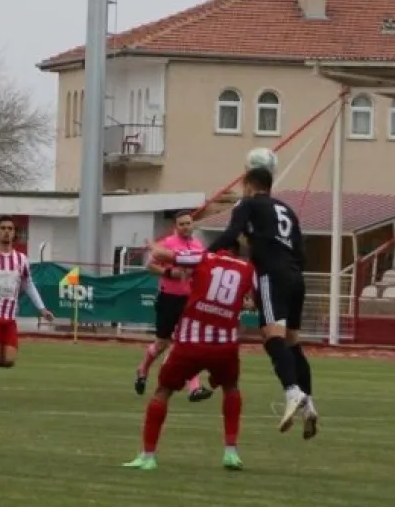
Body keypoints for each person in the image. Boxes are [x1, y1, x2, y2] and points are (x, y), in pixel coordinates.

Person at [209, 166, 317, 438]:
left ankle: (292, 393)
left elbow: (230, 234)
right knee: (292, 341)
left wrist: (204, 256)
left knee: (271, 336)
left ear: (248, 185)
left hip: (272, 274)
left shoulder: (246, 203)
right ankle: (308, 404)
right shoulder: (286, 210)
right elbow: (300, 250)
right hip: (296, 276)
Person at [123, 246, 253, 471]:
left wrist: (153, 244)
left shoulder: (204, 259)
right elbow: (254, 300)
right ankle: (231, 452)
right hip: (224, 345)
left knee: (163, 391)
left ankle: (148, 456)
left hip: (190, 340)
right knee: (231, 388)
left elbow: (165, 256)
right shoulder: (248, 269)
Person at [0, 215, 55, 409]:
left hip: (9, 317)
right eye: (3, 228)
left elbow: (28, 285)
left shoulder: (21, 259)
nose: (7, 231)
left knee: (8, 360)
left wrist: (42, 308)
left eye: (10, 228)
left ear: (15, 232)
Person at [135, 210, 212, 402]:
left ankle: (194, 388)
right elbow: (150, 266)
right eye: (182, 224)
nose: (186, 227)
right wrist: (171, 274)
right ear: (175, 227)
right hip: (169, 298)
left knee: (185, 343)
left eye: (188, 223)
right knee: (162, 344)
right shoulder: (168, 244)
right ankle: (143, 369)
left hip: (189, 300)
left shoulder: (197, 246)